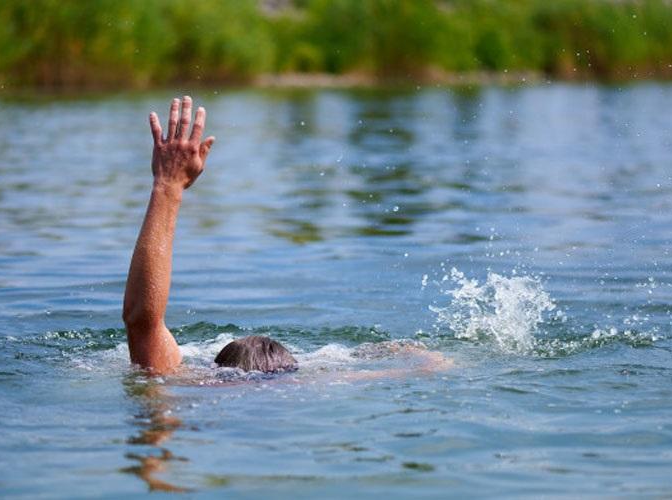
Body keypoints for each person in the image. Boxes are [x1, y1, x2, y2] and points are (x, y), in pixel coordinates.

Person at [123, 96, 448, 377]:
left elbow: (142, 323)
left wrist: (168, 185)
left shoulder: (195, 386)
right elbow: (419, 368)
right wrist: (424, 360)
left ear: (214, 371)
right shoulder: (318, 383)